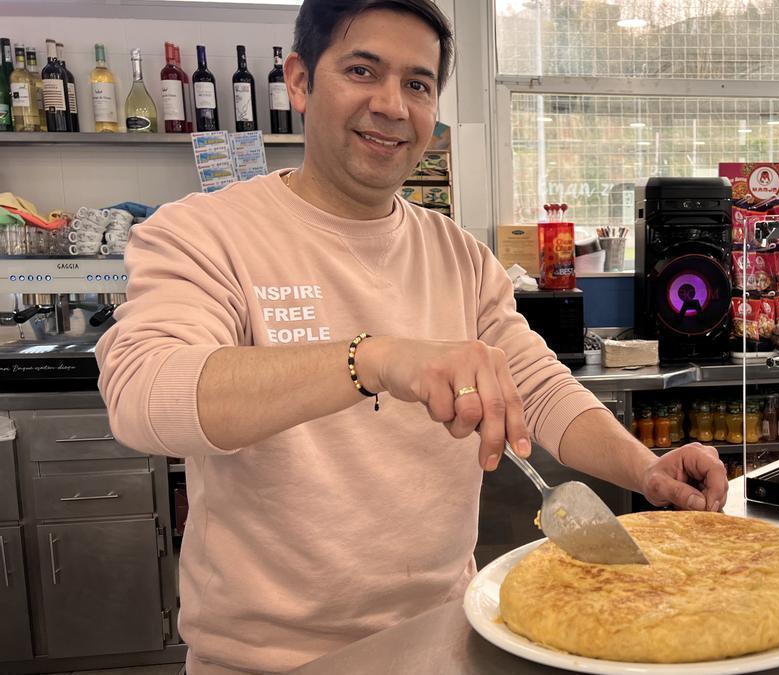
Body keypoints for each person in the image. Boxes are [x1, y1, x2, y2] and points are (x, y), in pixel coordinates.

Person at [95, 1, 728, 673]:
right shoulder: (204, 233)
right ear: (302, 81)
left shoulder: (459, 256)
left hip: (449, 642)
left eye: (418, 85)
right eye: (363, 70)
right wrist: (371, 358)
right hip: (268, 661)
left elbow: (538, 389)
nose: (392, 105)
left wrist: (644, 468)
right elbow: (145, 394)